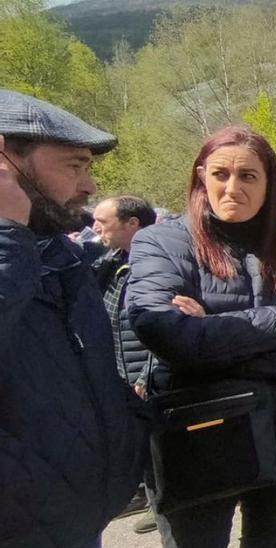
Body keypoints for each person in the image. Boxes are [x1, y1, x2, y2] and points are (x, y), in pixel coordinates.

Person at [126, 126, 276, 547]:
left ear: (268, 184)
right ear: (200, 177)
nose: (233, 188)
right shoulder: (161, 243)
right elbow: (166, 333)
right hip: (198, 432)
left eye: (248, 176)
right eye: (221, 174)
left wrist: (208, 333)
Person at [0, 91, 147, 548]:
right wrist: (6, 236)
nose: (87, 186)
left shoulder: (56, 255)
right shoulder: (15, 250)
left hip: (74, 518)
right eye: (73, 166)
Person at [90, 195, 160, 535]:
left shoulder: (156, 263)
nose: (95, 228)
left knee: (157, 443)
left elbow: (159, 326)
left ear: (133, 224)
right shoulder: (110, 262)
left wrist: (146, 374)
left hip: (145, 373)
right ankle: (146, 495)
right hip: (120, 370)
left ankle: (160, 501)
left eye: (103, 222)